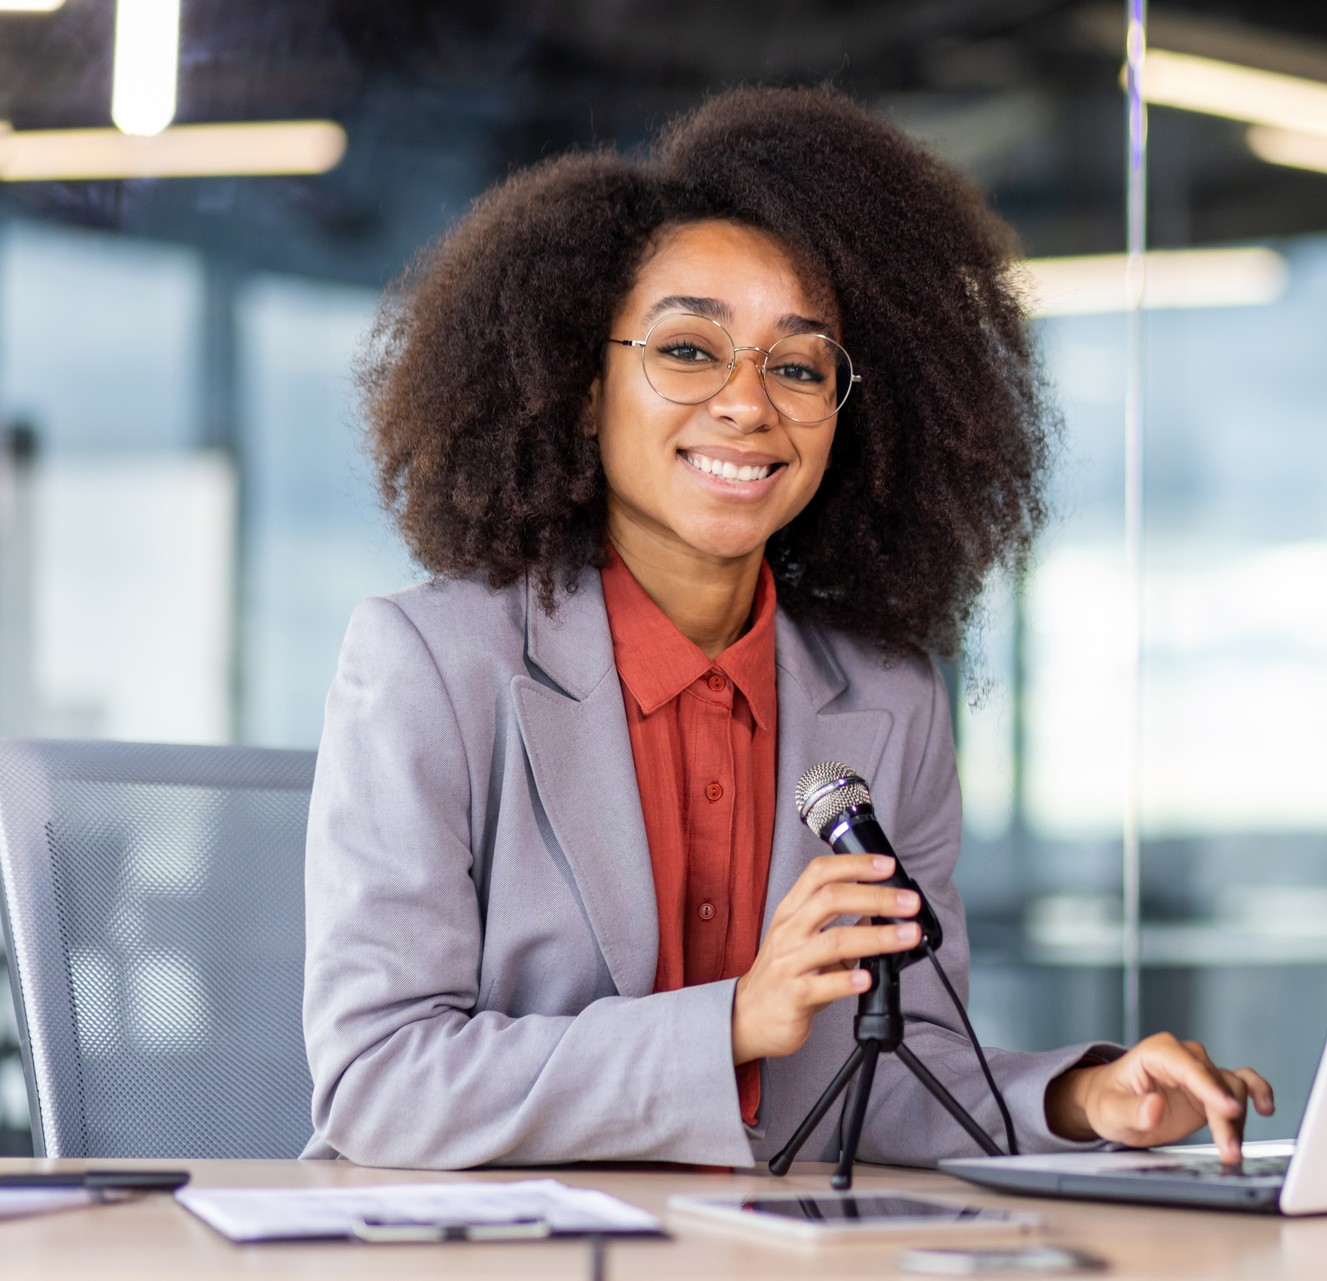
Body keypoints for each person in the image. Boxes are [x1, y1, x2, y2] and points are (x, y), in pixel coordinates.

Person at [301, 85, 1273, 1170]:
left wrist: (1088, 1100)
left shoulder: (888, 699)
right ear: (581, 387)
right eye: (686, 350)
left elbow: (897, 1077)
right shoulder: (430, 666)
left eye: (800, 366)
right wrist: (727, 1025)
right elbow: (379, 1083)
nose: (747, 404)